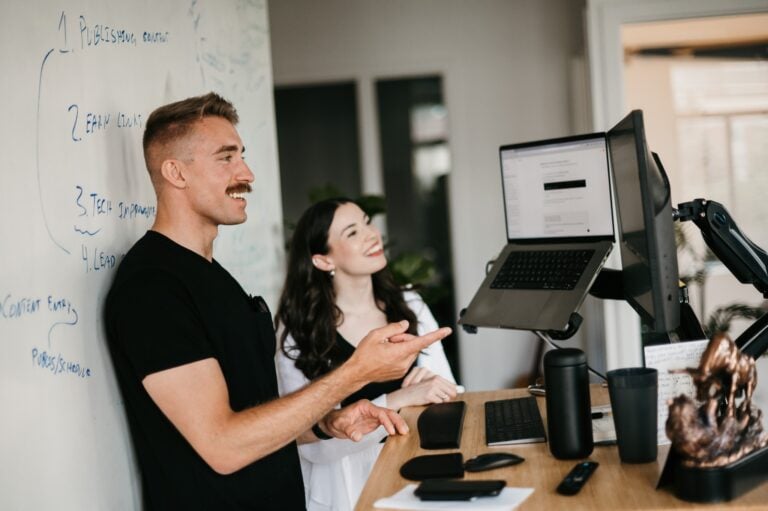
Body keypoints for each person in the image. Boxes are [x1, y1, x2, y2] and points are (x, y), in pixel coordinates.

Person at [103, 92, 452, 511]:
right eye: (226, 158)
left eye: (242, 156)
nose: (246, 173)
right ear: (176, 172)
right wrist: (355, 373)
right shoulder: (152, 288)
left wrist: (327, 424)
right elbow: (224, 445)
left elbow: (259, 418)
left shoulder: (214, 278)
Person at [275, 198, 459, 511]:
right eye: (352, 232)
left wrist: (435, 386)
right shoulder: (297, 332)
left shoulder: (410, 304)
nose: (372, 234)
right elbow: (311, 447)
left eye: (366, 222)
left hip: (423, 464)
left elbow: (451, 393)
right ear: (322, 260)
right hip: (350, 487)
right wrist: (399, 399)